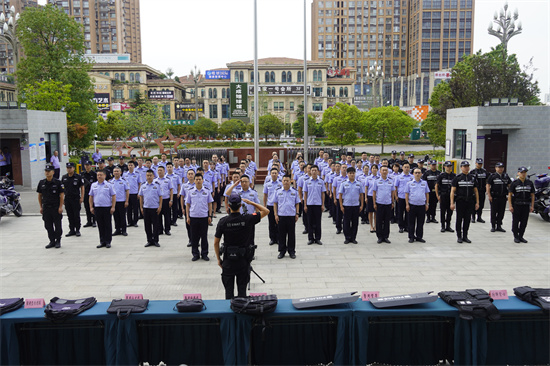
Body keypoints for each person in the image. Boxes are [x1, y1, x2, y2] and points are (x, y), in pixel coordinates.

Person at [214, 193, 269, 299]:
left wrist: (218, 259)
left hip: (228, 260)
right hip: (243, 261)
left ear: (228, 206)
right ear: (240, 206)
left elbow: (216, 242)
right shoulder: (247, 219)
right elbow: (266, 211)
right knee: (242, 293)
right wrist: (251, 203)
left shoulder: (223, 221)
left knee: (228, 293)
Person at [186, 173, 213, 261]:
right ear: (194, 181)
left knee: (204, 236)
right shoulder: (190, 191)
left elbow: (210, 204)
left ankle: (204, 253)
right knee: (194, 237)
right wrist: (187, 217)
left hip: (204, 217)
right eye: (196, 179)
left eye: (199, 179)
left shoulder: (207, 191)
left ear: (202, 180)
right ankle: (195, 254)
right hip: (193, 216)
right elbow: (187, 205)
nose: (198, 181)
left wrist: (210, 215)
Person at [450, 161, 479, 243]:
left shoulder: (472, 178)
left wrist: (477, 202)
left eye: (467, 166)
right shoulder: (457, 178)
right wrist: (452, 203)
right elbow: (452, 191)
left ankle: (465, 236)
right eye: (464, 166)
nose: (466, 168)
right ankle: (459, 236)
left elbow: (476, 191)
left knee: (467, 219)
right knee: (459, 219)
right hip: (460, 201)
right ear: (461, 167)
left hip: (470, 201)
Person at [37, 164, 64, 248]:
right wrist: (41, 207)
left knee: (58, 225)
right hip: (46, 208)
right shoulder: (42, 183)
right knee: (48, 225)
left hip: (55, 207)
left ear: (53, 172)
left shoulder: (58, 182)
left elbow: (62, 195)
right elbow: (39, 195)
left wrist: (60, 207)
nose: (47, 173)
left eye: (49, 171)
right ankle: (52, 241)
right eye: (46, 171)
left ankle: (58, 240)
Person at [273, 174, 300, 259]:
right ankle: (282, 251)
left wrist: (297, 213)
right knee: (281, 235)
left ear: (290, 181)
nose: (286, 182)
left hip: (291, 216)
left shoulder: (294, 191)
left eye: (287, 180)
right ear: (282, 181)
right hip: (281, 216)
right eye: (284, 180)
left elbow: (297, 203)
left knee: (291, 234)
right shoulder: (278, 191)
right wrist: (275, 214)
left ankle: (291, 251)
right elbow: (275, 203)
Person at [89, 169, 116, 248]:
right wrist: (91, 207)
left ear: (104, 176)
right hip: (97, 207)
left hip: (107, 207)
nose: (99, 176)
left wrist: (113, 207)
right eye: (98, 175)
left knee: (107, 224)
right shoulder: (93, 185)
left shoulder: (109, 185)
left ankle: (108, 241)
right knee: (100, 225)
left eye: (101, 175)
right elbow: (91, 196)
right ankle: (102, 241)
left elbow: (113, 196)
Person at [508, 167, 535, 243]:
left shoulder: (529, 183)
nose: (523, 174)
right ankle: (516, 236)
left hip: (526, 205)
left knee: (524, 222)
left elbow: (532, 195)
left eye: (524, 172)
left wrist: (532, 206)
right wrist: (510, 206)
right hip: (517, 205)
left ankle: (521, 236)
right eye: (521, 172)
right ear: (518, 173)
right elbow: (510, 195)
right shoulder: (515, 183)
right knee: (516, 221)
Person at [339, 167, 363, 244]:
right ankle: (347, 237)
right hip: (347, 205)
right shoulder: (344, 183)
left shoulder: (359, 183)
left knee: (355, 222)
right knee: (346, 222)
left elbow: (361, 195)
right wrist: (341, 206)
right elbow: (340, 195)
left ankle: (353, 238)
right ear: (347, 174)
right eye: (350, 173)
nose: (352, 174)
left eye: (353, 173)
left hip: (356, 205)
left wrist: (362, 205)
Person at [405, 168, 430, 243]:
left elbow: (427, 193)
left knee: (420, 222)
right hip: (412, 205)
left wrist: (427, 203)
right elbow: (406, 194)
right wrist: (407, 204)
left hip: (421, 205)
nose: (417, 174)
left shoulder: (424, 183)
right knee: (411, 222)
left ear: (421, 174)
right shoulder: (409, 183)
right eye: (416, 173)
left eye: (419, 172)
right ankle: (411, 237)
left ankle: (419, 237)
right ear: (413, 174)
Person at [139, 170, 163, 247]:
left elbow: (160, 196)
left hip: (155, 208)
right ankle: (149, 240)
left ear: (153, 176)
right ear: (145, 176)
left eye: (150, 175)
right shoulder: (143, 186)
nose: (149, 177)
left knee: (156, 225)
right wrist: (141, 207)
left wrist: (160, 206)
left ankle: (156, 240)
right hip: (146, 208)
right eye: (148, 175)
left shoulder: (157, 185)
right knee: (147, 225)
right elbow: (141, 197)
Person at [303, 165, 326, 245]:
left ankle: (317, 238)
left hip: (318, 204)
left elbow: (323, 194)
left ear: (318, 171)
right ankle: (310, 238)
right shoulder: (307, 181)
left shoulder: (321, 181)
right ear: (310, 171)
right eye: (312, 170)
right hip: (309, 204)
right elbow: (305, 194)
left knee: (318, 222)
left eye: (315, 170)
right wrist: (305, 205)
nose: (313, 172)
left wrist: (323, 205)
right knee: (309, 222)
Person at [372, 166, 395, 244]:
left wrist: (392, 202)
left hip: (388, 203)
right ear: (380, 172)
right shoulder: (376, 181)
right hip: (379, 203)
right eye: (383, 170)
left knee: (386, 221)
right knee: (379, 220)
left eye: (386, 170)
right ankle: (379, 237)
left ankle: (385, 236)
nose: (384, 172)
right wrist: (374, 203)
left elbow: (392, 192)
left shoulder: (391, 181)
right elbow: (374, 192)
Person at [486, 162, 512, 233]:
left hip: (503, 197)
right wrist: (489, 195)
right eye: (499, 167)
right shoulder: (492, 176)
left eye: (502, 167)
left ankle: (499, 226)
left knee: (501, 212)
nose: (500, 169)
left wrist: (510, 194)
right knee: (494, 212)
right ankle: (493, 226)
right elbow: (488, 185)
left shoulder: (506, 176)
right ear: (496, 168)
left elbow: (510, 185)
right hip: (494, 197)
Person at [61, 162, 84, 237]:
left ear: (73, 168)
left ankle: (77, 229)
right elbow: (61, 189)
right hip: (67, 199)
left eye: (70, 168)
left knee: (76, 215)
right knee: (69, 215)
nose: (69, 169)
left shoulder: (78, 177)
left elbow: (82, 187)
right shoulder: (64, 177)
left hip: (76, 198)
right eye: (68, 168)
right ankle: (72, 230)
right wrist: (62, 199)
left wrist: (82, 197)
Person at [263, 168, 283, 246]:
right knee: (271, 223)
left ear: (278, 174)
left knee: (278, 222)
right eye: (272, 173)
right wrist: (264, 206)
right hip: (270, 205)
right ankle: (272, 238)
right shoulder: (267, 184)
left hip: (279, 206)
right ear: (270, 174)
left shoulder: (281, 184)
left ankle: (278, 238)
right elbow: (265, 195)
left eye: (275, 173)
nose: (274, 174)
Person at [436, 161, 456, 233]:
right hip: (443, 195)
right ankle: (443, 226)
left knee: (450, 212)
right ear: (444, 167)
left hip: (451, 196)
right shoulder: (441, 175)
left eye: (450, 166)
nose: (449, 167)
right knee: (443, 212)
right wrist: (437, 195)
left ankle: (448, 226)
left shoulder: (454, 176)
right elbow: (437, 185)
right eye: (447, 166)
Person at [154, 166, 174, 236]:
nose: (160, 171)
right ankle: (160, 230)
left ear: (164, 171)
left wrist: (171, 200)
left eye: (161, 170)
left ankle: (167, 229)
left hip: (166, 199)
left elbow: (171, 190)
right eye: (158, 170)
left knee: (167, 216)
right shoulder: (155, 181)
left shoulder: (168, 180)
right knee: (158, 216)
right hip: (158, 201)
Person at [110, 167, 129, 236]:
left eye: (117, 171)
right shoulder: (111, 182)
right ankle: (117, 229)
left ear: (120, 172)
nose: (116, 172)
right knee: (116, 216)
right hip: (114, 202)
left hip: (122, 201)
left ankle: (124, 230)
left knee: (122, 216)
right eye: (115, 171)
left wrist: (126, 201)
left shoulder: (124, 181)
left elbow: (127, 191)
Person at [394, 163, 413, 233]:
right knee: (400, 213)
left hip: (409, 198)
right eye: (405, 167)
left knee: (408, 212)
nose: (406, 168)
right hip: (401, 197)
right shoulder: (398, 177)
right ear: (402, 168)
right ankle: (401, 226)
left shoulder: (412, 177)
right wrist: (396, 196)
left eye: (408, 167)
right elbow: (395, 187)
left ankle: (407, 226)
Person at [123, 161, 141, 227]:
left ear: (134, 166)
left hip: (135, 193)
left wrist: (139, 193)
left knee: (135, 208)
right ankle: (129, 222)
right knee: (128, 209)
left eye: (131, 165)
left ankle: (135, 221)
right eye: (129, 165)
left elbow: (139, 184)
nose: (130, 166)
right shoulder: (125, 174)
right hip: (127, 194)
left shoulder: (137, 174)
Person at [472, 158, 488, 223]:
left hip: (482, 190)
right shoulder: (473, 172)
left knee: (481, 204)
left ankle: (479, 217)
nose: (480, 165)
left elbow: (488, 180)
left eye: (481, 164)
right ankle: (473, 217)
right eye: (478, 163)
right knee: (474, 204)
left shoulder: (484, 172)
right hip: (475, 191)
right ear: (476, 163)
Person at [364, 164, 379, 233]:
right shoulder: (368, 178)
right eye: (373, 168)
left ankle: (376, 226)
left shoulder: (379, 178)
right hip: (370, 196)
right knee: (370, 212)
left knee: (376, 212)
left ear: (377, 170)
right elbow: (366, 188)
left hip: (377, 196)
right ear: (371, 169)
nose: (374, 169)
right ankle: (371, 226)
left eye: (375, 168)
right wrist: (365, 197)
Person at [82, 161, 97, 228]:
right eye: (86, 165)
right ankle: (89, 221)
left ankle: (94, 221)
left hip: (93, 193)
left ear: (91, 166)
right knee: (87, 207)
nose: (87, 166)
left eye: (88, 165)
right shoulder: (82, 174)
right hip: (86, 192)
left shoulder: (94, 174)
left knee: (93, 207)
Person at [166, 162, 182, 227]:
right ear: (166, 168)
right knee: (168, 209)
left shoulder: (176, 176)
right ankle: (169, 221)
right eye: (168, 167)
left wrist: (178, 193)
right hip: (168, 195)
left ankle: (174, 221)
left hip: (175, 194)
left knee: (175, 208)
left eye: (170, 167)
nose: (169, 168)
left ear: (173, 168)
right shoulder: (165, 176)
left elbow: (179, 185)